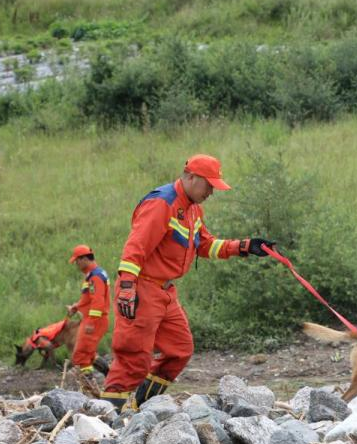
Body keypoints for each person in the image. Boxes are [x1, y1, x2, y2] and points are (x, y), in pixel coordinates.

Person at [100, 154, 275, 411]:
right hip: (143, 288)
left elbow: (205, 245)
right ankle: (108, 419)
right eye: (209, 185)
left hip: (166, 292)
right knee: (134, 357)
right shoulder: (162, 203)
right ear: (191, 177)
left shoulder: (193, 209)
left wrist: (244, 246)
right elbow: (135, 246)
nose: (212, 192)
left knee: (179, 349)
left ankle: (138, 407)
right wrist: (127, 286)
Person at [67, 244, 110, 393]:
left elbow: (98, 300)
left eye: (77, 261)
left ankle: (92, 390)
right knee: (89, 354)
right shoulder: (90, 275)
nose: (76, 265)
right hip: (91, 318)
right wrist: (76, 307)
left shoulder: (96, 276)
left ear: (84, 259)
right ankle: (110, 378)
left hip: (95, 320)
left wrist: (91, 322)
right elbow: (87, 298)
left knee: (80, 355)